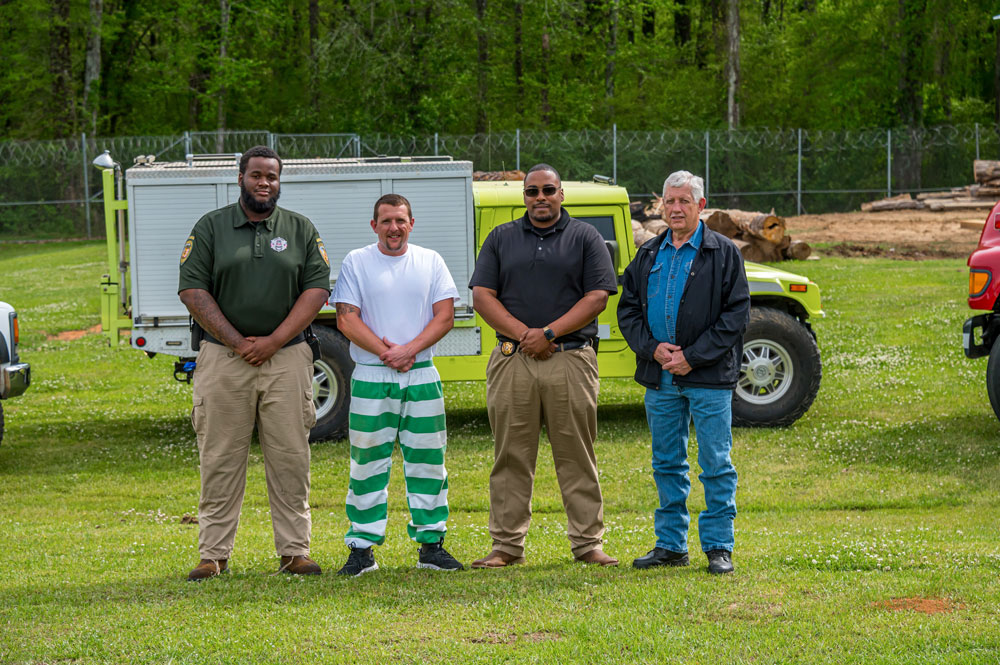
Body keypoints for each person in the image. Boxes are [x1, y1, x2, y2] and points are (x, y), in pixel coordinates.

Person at [178, 145, 331, 581]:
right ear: (241, 177)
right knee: (221, 457)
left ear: (279, 182)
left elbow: (317, 290)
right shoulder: (211, 227)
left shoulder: (300, 228)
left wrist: (273, 341)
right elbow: (192, 290)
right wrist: (236, 341)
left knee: (290, 457)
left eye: (272, 177)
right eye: (257, 175)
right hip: (223, 359)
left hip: (287, 359)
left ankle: (294, 551)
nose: (265, 183)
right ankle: (214, 555)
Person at [468, 163, 619, 568]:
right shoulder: (500, 238)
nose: (540, 198)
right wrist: (524, 335)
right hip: (512, 360)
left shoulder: (587, 238)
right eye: (532, 192)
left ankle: (588, 544)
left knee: (576, 454)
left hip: (570, 359)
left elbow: (597, 298)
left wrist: (548, 334)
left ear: (561, 194)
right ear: (524, 197)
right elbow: (482, 296)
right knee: (511, 455)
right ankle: (506, 546)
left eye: (548, 190)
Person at [617, 170, 750, 574]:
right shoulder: (648, 254)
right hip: (662, 379)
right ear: (662, 205)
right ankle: (671, 546)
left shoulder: (723, 252)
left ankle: (718, 547)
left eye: (684, 202)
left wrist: (693, 356)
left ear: (701, 207)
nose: (675, 209)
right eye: (669, 201)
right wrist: (652, 349)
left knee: (716, 463)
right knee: (667, 464)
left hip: (707, 378)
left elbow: (736, 315)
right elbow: (629, 311)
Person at [331, 193, 463, 576]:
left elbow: (444, 316)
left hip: (421, 373)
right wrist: (388, 353)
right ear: (374, 225)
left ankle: (431, 545)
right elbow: (347, 319)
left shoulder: (430, 260)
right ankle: (362, 548)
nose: (394, 228)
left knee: (428, 461)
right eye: (386, 221)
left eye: (400, 220)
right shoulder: (357, 261)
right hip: (373, 375)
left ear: (412, 222)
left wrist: (409, 350)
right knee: (367, 463)